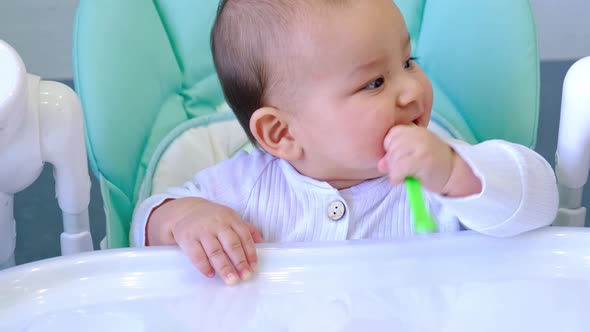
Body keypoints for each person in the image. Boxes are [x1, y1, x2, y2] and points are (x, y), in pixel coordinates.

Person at [131, 0, 559, 285]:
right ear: (281, 134)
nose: (410, 90)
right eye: (374, 82)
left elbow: (538, 203)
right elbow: (143, 234)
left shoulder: (436, 179)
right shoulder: (242, 190)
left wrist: (454, 172)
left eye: (408, 62)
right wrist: (186, 220)